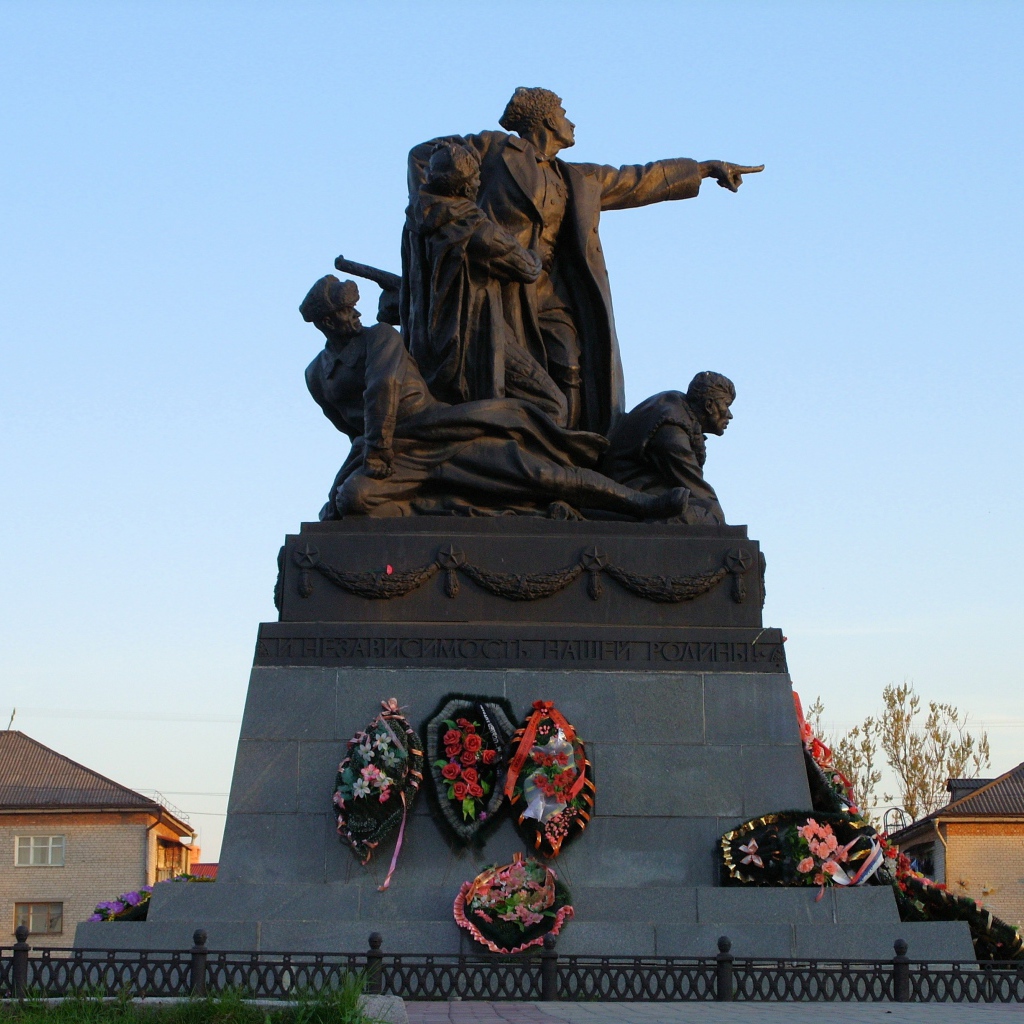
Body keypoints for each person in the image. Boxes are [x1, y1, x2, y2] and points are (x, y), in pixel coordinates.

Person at [403, 87, 762, 434]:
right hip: (500, 283)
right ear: (544, 120)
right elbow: (422, 155)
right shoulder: (493, 147)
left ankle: (566, 450)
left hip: (553, 291)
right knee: (498, 373)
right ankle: (505, 449)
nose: (570, 122)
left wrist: (703, 168)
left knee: (571, 363)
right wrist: (443, 212)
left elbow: (637, 179)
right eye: (563, 114)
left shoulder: (578, 178)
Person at [301, 275, 689, 520]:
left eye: (352, 308)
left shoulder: (379, 337)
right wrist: (372, 458)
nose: (353, 316)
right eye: (342, 311)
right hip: (395, 453)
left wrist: (376, 454)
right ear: (325, 321)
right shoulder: (316, 374)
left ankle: (640, 504)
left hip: (437, 430)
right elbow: (346, 423)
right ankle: (458, 508)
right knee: (351, 500)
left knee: (535, 472)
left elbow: (382, 391)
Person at [410, 141, 567, 425]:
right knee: (552, 404)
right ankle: (508, 459)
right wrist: (537, 254)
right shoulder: (469, 225)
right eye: (476, 178)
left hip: (430, 343)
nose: (480, 182)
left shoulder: (415, 222)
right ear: (465, 187)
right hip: (474, 336)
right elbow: (526, 268)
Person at [600, 372, 736, 525]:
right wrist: (718, 517)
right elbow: (696, 488)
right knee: (708, 518)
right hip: (630, 494)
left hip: (641, 489)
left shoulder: (677, 407)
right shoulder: (672, 429)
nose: (730, 415)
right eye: (727, 405)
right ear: (709, 405)